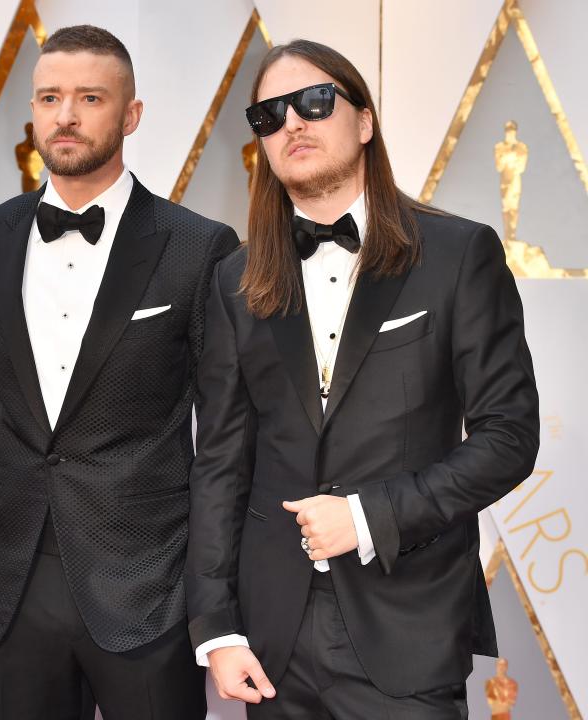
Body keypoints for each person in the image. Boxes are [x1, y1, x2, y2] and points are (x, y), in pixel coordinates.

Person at [186, 39, 539, 718]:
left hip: (408, 625)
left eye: (314, 102)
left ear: (365, 120)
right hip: (271, 638)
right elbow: (221, 463)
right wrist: (217, 626)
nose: (292, 122)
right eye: (268, 115)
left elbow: (508, 437)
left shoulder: (458, 255)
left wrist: (368, 516)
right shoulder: (234, 280)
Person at [0, 24, 239, 720]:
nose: (66, 115)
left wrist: (214, 594)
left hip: (147, 586)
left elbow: (230, 431)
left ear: (131, 115)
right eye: (50, 97)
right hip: (17, 582)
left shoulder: (198, 247)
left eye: (89, 97)